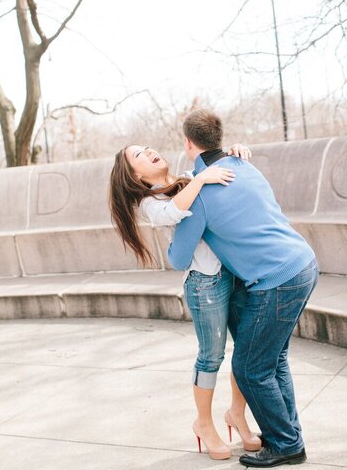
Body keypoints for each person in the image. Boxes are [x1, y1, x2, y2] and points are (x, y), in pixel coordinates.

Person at [167, 109, 319, 468]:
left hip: (277, 281)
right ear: (220, 139)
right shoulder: (245, 165)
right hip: (303, 263)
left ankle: (286, 445)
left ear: (188, 143)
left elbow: (177, 257)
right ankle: (286, 435)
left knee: (251, 367)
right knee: (273, 360)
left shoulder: (200, 193)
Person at [109, 142, 262, 461]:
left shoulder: (187, 178)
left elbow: (215, 178)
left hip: (233, 273)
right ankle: (204, 424)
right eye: (140, 154)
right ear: (135, 174)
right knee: (211, 357)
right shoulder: (149, 202)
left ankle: (236, 413)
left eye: (148, 147)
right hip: (204, 284)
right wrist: (201, 180)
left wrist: (232, 150)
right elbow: (173, 211)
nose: (150, 151)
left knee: (246, 348)